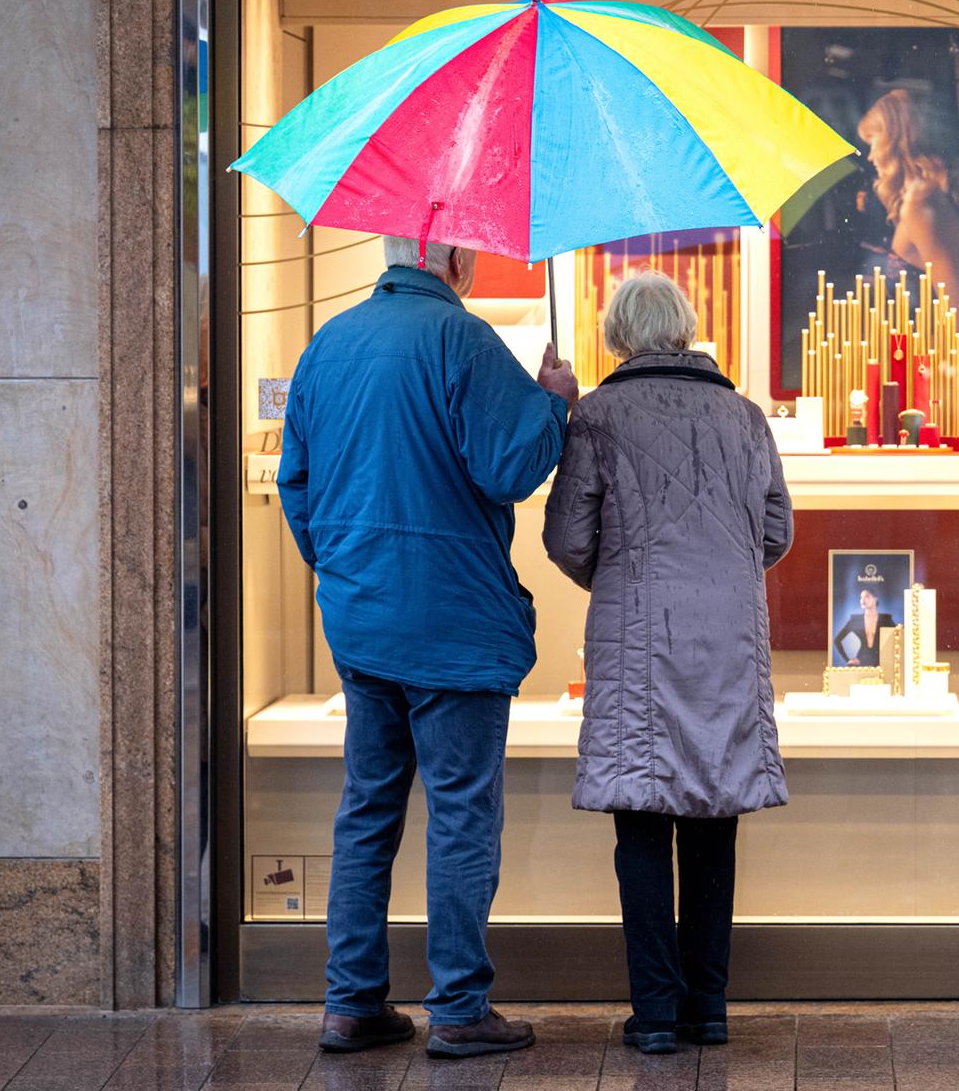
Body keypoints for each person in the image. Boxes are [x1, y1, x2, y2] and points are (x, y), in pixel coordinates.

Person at [278, 236, 578, 1060]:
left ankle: (350, 1003)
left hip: (362, 621)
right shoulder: (464, 340)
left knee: (367, 810)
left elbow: (297, 485)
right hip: (454, 624)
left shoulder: (327, 344)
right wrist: (555, 403)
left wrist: (346, 571)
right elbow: (511, 469)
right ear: (452, 259)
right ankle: (458, 1008)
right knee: (461, 812)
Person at [542, 271, 792, 1056]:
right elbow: (776, 532)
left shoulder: (597, 415)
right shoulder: (745, 416)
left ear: (618, 335)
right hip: (727, 638)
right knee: (714, 821)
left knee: (643, 822)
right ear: (684, 328)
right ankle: (708, 1007)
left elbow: (567, 539)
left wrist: (621, 577)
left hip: (636, 643)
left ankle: (655, 1014)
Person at [857, 88, 959, 348]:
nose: (870, 157)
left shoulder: (923, 205)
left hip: (933, 363)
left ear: (895, 142)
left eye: (873, 143)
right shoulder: (923, 199)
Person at [832, 587, 895, 667]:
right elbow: (837, 640)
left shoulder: (885, 619)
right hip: (861, 661)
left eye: (867, 596)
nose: (863, 600)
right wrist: (848, 659)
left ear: (875, 598)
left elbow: (898, 635)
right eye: (861, 597)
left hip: (881, 661)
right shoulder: (855, 619)